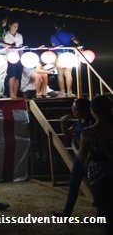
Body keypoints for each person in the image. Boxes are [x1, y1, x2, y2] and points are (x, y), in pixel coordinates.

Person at [77, 95, 113, 234]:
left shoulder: (89, 132)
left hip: (99, 174)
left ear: (93, 111)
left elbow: (81, 156)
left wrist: (74, 146)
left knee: (107, 211)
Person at [51, 98, 93, 217]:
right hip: (79, 159)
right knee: (73, 185)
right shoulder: (78, 123)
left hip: (89, 159)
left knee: (94, 186)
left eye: (75, 109)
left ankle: (101, 214)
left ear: (84, 111)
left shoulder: (90, 125)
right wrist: (63, 121)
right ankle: (66, 213)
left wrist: (74, 147)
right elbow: (67, 134)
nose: (73, 111)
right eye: (72, 109)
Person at [50, 19, 80, 98]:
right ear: (64, 25)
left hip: (60, 55)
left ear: (55, 27)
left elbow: (54, 47)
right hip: (69, 54)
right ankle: (69, 92)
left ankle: (62, 93)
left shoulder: (53, 36)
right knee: (68, 74)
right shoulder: (70, 34)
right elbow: (77, 42)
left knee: (60, 74)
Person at [3, 20, 23, 99]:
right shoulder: (5, 35)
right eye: (14, 26)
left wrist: (22, 58)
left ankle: (15, 94)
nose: (15, 28)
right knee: (12, 76)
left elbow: (21, 47)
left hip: (18, 58)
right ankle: (11, 94)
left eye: (17, 26)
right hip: (9, 58)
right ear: (10, 26)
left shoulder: (19, 36)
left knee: (18, 77)